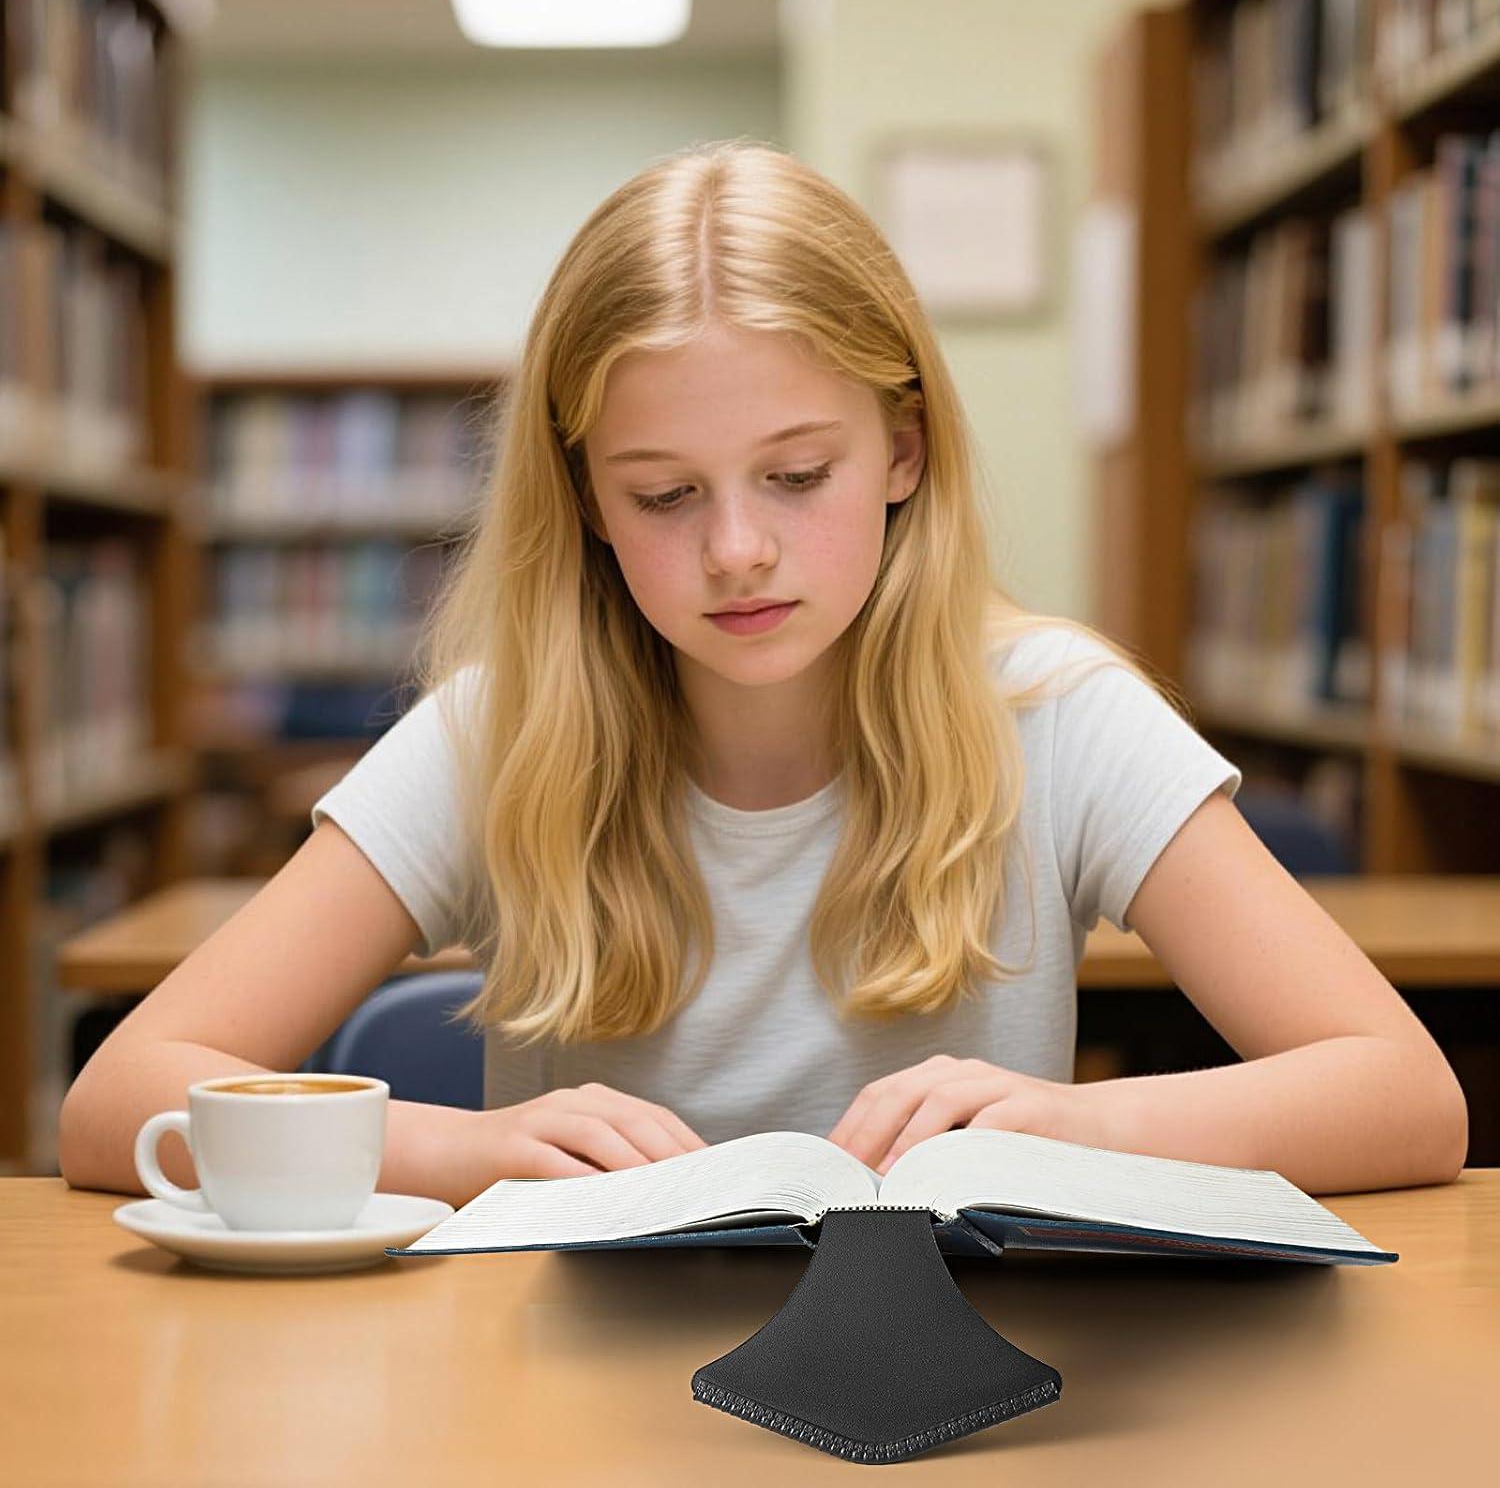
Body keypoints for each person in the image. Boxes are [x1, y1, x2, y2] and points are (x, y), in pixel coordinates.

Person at [59, 138, 1466, 1209]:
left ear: (905, 450)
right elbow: (121, 1093)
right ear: (588, 504)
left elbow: (1406, 1095)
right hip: (555, 1417)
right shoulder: (503, 736)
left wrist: (1086, 1126)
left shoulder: (1061, 719)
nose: (739, 549)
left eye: (798, 475)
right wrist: (463, 1150)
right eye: (664, 495)